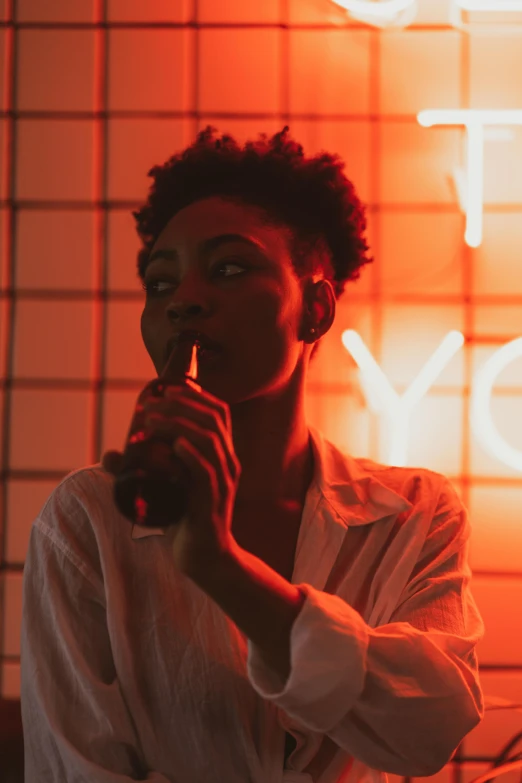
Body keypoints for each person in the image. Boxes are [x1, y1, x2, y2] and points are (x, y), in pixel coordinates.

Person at [20, 126, 484, 783]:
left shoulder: (411, 513)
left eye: (230, 267)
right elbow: (74, 768)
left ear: (316, 306)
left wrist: (222, 568)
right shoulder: (89, 520)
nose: (184, 299)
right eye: (159, 283)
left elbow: (428, 729)